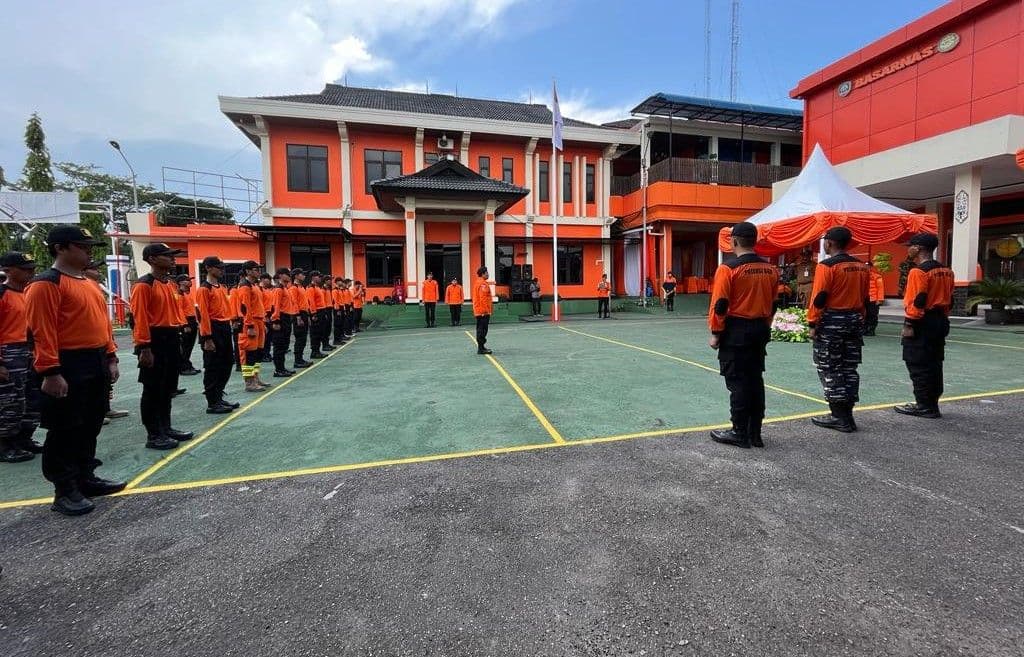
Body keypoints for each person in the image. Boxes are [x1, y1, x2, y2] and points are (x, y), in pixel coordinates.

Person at [25, 225, 126, 515]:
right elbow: (41, 332)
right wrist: (50, 372)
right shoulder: (46, 284)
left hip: (95, 359)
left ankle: (85, 476)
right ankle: (64, 488)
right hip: (67, 362)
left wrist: (110, 357)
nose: (88, 252)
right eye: (82, 247)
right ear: (61, 248)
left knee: (90, 422)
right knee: (65, 427)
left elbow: (103, 325)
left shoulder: (88, 282)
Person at [707, 221, 778, 449]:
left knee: (737, 382)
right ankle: (754, 432)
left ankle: (739, 431)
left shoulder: (728, 268)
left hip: (736, 330)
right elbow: (773, 303)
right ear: (754, 241)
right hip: (760, 329)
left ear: (734, 241)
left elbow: (720, 304)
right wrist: (765, 324)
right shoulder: (770, 269)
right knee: (755, 380)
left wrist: (716, 333)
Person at [130, 243, 195, 450]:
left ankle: (165, 427)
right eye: (167, 255)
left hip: (171, 337)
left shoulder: (169, 284)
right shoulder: (144, 285)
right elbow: (139, 318)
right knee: (152, 389)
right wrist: (144, 347)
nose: (172, 259)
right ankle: (154, 433)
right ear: (152, 259)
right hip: (154, 339)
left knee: (168, 387)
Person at [806, 227, 870, 434]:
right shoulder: (861, 266)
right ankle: (847, 414)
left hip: (832, 319)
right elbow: (864, 297)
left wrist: (812, 324)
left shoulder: (827, 266)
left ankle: (839, 416)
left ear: (830, 243)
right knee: (849, 367)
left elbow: (820, 297)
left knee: (830, 367)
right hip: (854, 318)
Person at [895, 233, 954, 419]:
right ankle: (932, 403)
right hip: (939, 320)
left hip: (922, 321)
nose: (908, 250)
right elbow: (950, 300)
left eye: (910, 246)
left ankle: (924, 405)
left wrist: (909, 324)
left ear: (918, 248)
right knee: (935, 363)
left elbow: (917, 300)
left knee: (917, 363)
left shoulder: (918, 272)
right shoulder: (946, 271)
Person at [0, 251, 43, 463]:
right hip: (9, 353)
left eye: (32, 268)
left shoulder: (28, 293)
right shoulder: (2, 293)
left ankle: (25, 438)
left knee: (32, 398)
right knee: (10, 401)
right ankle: (6, 444)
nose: (31, 272)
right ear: (8, 270)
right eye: (25, 269)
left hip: (29, 350)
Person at [83, 260, 133, 421]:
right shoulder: (84, 286)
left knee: (105, 380)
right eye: (94, 268)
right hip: (88, 345)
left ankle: (105, 408)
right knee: (91, 384)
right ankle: (95, 411)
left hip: (103, 341)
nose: (98, 271)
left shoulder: (95, 287)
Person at [196, 255, 237, 414]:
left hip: (224, 326)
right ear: (208, 268)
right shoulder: (204, 289)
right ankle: (212, 402)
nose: (221, 270)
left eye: (222, 267)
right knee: (213, 366)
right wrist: (206, 337)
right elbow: (203, 315)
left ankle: (219, 396)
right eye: (218, 267)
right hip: (212, 328)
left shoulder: (221, 287)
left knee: (226, 363)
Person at [233, 260, 272, 393]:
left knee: (258, 352)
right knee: (249, 352)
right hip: (251, 322)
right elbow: (245, 307)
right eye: (256, 269)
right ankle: (249, 382)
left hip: (259, 321)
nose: (258, 272)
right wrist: (249, 325)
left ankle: (256, 377)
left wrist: (263, 322)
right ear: (248, 271)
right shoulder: (244, 286)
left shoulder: (254, 286)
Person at [270, 268, 297, 378]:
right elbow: (275, 306)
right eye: (287, 274)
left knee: (284, 345)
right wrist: (276, 321)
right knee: (279, 346)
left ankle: (282, 367)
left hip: (286, 317)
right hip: (280, 318)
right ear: (280, 275)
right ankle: (278, 370)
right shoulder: (278, 289)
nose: (289, 276)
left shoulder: (285, 288)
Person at [176, 274, 201, 375]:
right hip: (186, 322)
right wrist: (184, 325)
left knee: (189, 346)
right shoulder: (179, 294)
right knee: (185, 346)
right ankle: (183, 367)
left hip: (192, 321)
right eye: (187, 280)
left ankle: (187, 364)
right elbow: (180, 310)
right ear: (181, 282)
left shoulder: (186, 293)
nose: (190, 282)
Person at [289, 269, 311, 368]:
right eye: (302, 274)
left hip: (304, 313)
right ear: (296, 276)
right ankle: (297, 361)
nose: (304, 276)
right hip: (299, 314)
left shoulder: (301, 287)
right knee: (300, 337)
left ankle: (300, 359)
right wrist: (298, 316)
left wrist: (308, 315)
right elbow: (294, 302)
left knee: (303, 338)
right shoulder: (293, 288)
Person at [472, 266, 493, 355]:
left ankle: (481, 347)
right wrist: (485, 311)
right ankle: (481, 348)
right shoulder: (483, 284)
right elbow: (483, 298)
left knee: (481, 329)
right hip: (482, 311)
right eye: (487, 273)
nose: (488, 274)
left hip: (480, 310)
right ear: (483, 274)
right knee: (482, 329)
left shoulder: (479, 282)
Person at [305, 271, 326, 360]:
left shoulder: (317, 288)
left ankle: (317, 350)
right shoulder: (311, 288)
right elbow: (311, 301)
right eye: (318, 276)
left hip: (321, 311)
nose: (320, 278)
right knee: (315, 333)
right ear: (313, 278)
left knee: (320, 332)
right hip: (316, 312)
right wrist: (313, 313)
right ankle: (314, 351)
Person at [259, 273, 275, 362]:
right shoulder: (260, 290)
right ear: (263, 280)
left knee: (268, 338)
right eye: (268, 279)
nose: (269, 281)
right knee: (264, 338)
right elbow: (260, 305)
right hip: (264, 316)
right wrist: (265, 316)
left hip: (270, 315)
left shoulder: (267, 290)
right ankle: (263, 355)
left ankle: (267, 353)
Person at [865, 262, 885, 336]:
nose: (867, 268)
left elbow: (880, 289)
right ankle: (864, 329)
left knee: (872, 315)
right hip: (864, 299)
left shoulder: (877, 276)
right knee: (864, 315)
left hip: (873, 299)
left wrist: (879, 300)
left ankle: (871, 330)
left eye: (868, 266)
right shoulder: (861, 276)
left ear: (871, 267)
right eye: (866, 266)